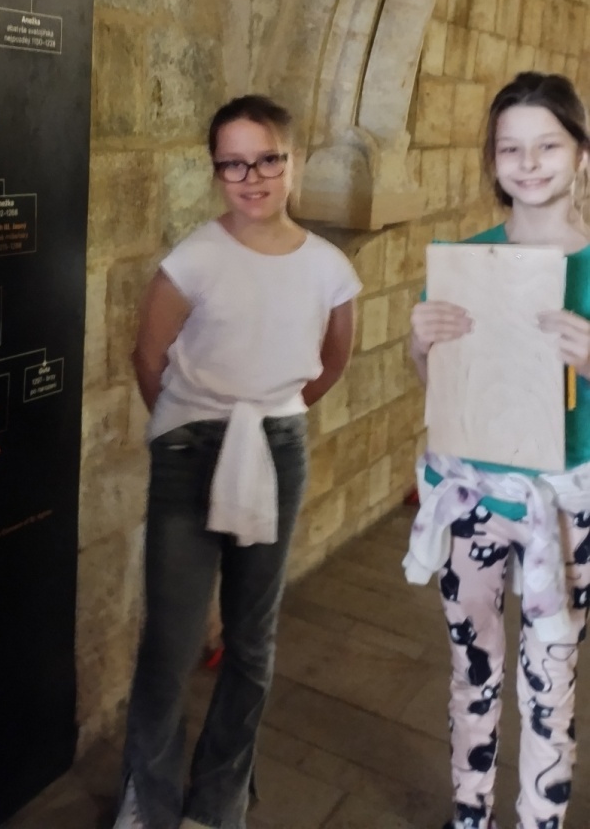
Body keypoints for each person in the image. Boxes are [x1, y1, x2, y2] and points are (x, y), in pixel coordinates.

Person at [114, 94, 361, 829]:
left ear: (292, 161)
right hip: (190, 449)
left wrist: (271, 415)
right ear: (216, 170)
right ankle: (149, 796)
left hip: (275, 449)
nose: (251, 178)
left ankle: (220, 798)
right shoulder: (193, 259)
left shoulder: (328, 268)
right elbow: (149, 357)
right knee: (172, 638)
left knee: (251, 638)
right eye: (233, 164)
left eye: (266, 160)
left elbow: (330, 361)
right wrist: (192, 423)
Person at [406, 71, 590, 829]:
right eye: (511, 148)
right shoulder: (469, 262)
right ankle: (469, 814)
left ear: (581, 154)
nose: (529, 162)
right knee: (471, 667)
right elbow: (442, 383)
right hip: (474, 493)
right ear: (492, 160)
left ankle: (540, 818)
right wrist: (420, 347)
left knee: (551, 676)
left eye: (548, 145)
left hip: (569, 504)